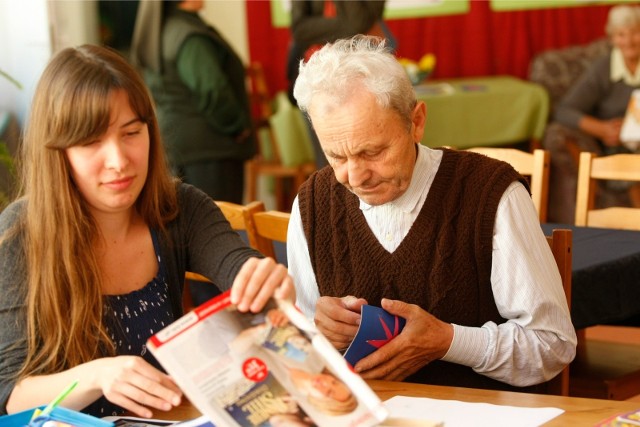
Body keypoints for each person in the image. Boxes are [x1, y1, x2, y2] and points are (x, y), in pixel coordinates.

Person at [0, 45, 294, 418]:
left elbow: (238, 266)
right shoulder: (19, 233)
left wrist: (267, 282)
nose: (119, 161)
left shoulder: (180, 207)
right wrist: (98, 376)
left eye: (131, 132)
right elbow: (8, 394)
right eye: (92, 142)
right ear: (58, 152)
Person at [286, 36, 577, 392]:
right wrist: (318, 331)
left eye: (373, 152)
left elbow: (552, 346)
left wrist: (448, 341)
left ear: (417, 122)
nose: (355, 177)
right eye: (337, 157)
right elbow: (295, 348)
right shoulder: (313, 203)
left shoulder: (490, 193)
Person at [130, 0, 255, 204]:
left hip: (179, 148)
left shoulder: (163, 30)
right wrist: (237, 127)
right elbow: (212, 89)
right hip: (210, 154)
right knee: (219, 227)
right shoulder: (189, 36)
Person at [546, 4, 640, 222]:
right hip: (619, 148)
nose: (629, 41)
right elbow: (564, 110)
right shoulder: (604, 68)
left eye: (635, 32)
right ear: (612, 38)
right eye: (621, 34)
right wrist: (602, 129)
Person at [287, 0, 392, 169]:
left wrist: (325, 29)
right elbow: (299, 29)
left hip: (364, 72)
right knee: (329, 159)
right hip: (316, 74)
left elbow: (357, 21)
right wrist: (348, 28)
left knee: (367, 151)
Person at [288, 368, 357, 416]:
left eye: (328, 392)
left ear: (320, 403)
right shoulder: (313, 359)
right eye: (334, 382)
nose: (326, 382)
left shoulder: (285, 394)